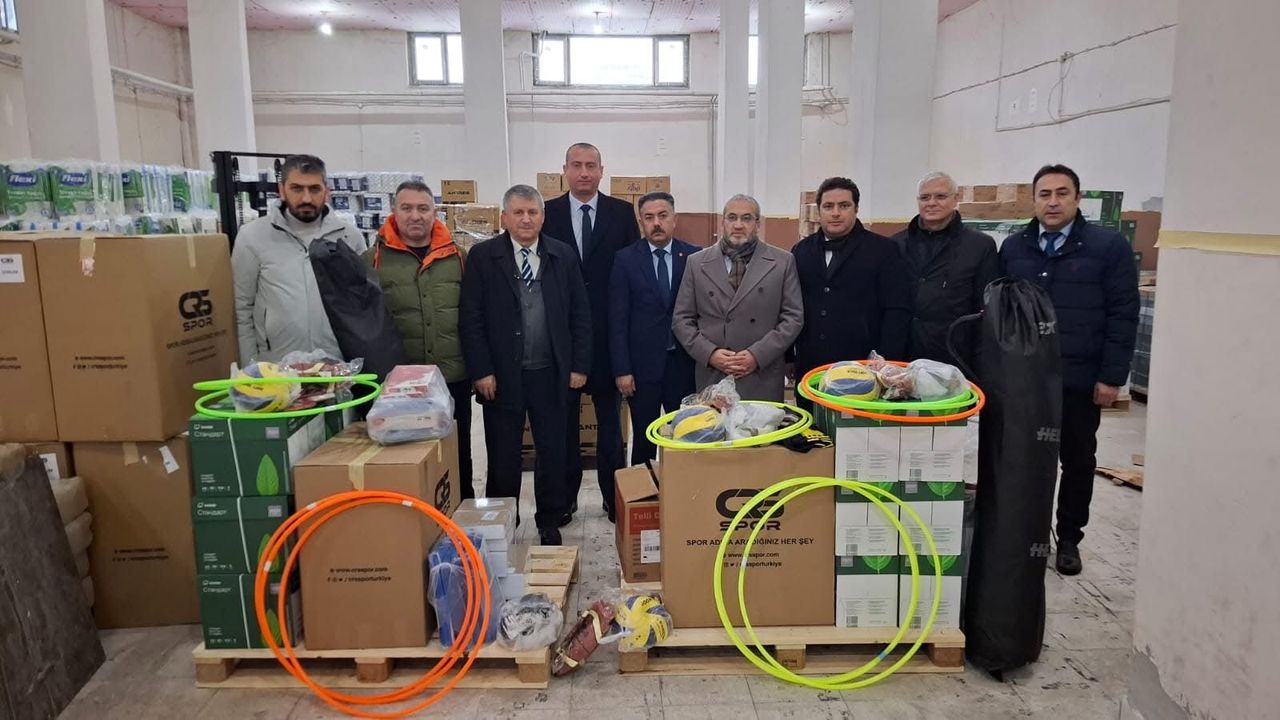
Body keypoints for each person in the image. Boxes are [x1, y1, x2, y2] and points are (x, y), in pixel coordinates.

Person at [1001, 164, 1139, 576]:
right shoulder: (1015, 248)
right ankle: (1026, 534)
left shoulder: (1108, 248)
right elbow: (1000, 314)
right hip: (1026, 381)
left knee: (1077, 461)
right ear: (1034, 201)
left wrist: (1111, 377)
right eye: (1044, 194)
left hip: (1079, 379)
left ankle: (1069, 539)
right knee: (1023, 460)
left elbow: (1123, 314)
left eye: (1062, 193)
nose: (1053, 202)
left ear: (1078, 199)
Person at [459, 184, 592, 546]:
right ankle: (504, 520)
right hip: (502, 377)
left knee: (553, 450)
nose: (526, 219)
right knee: (503, 455)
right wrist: (481, 371)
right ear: (504, 217)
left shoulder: (562, 255)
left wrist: (579, 365)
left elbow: (581, 314)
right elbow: (471, 319)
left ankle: (549, 518)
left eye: (533, 212)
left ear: (543, 217)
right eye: (518, 212)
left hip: (552, 374)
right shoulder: (483, 257)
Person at [542, 143, 640, 524]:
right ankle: (564, 499)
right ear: (564, 170)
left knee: (611, 428)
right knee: (563, 427)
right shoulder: (547, 213)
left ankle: (613, 498)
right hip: (560, 339)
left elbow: (631, 271)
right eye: (576, 165)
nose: (584, 172)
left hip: (607, 337)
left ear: (602, 170)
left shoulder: (621, 214)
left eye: (591, 166)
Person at [363, 180, 474, 499]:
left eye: (423, 208)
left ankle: (462, 514)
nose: (415, 216)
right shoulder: (372, 259)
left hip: (452, 377)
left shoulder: (457, 257)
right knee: (404, 459)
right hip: (397, 385)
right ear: (394, 212)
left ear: (434, 212)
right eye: (407, 208)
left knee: (457, 454)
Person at [232, 154, 367, 366]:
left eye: (314, 189)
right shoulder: (252, 237)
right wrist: (251, 368)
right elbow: (242, 308)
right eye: (296, 188)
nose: (306, 198)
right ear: (282, 190)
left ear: (327, 192)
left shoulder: (350, 237)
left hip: (336, 364)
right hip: (275, 366)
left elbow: (363, 305)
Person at [672, 194, 803, 402]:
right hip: (714, 375)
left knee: (762, 424)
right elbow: (681, 320)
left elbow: (793, 318)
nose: (738, 225)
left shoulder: (782, 262)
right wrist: (710, 354)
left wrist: (757, 355)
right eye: (732, 218)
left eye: (746, 218)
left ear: (757, 224)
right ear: (723, 222)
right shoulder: (696, 263)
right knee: (715, 423)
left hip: (762, 374)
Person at [791, 176, 911, 395]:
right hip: (810, 366)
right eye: (828, 206)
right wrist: (789, 358)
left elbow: (896, 309)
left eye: (844, 205)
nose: (836, 213)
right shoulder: (800, 251)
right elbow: (789, 306)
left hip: (864, 367)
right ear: (819, 211)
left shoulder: (884, 250)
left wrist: (887, 361)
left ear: (856, 209)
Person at [609, 192, 698, 466]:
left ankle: (682, 490)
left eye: (662, 216)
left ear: (674, 219)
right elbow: (617, 318)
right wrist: (622, 370)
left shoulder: (694, 256)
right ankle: (644, 490)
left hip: (684, 367)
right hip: (641, 370)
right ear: (641, 222)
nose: (656, 223)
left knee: (686, 438)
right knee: (644, 440)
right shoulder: (625, 259)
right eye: (649, 218)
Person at [891, 172, 999, 372]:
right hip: (902, 358)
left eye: (940, 196)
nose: (931, 203)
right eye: (925, 197)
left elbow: (986, 310)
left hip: (953, 357)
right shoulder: (896, 244)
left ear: (956, 199)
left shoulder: (979, 246)